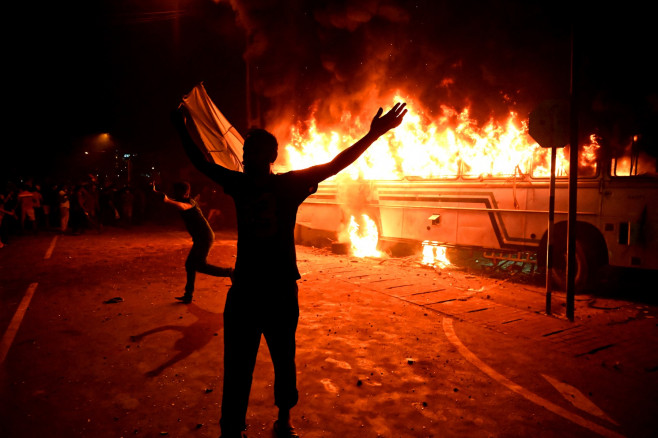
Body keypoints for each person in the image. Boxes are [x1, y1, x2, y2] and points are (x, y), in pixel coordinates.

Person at [174, 102, 407, 438]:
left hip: (279, 290)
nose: (244, 155)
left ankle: (283, 421)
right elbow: (200, 162)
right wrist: (181, 126)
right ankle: (232, 430)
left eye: (251, 150)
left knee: (284, 360)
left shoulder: (287, 185)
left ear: (269, 155)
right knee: (238, 366)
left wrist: (373, 135)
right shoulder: (246, 184)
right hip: (249, 291)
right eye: (245, 149)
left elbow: (335, 164)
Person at [153, 181, 233, 303]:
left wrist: (167, 201)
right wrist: (154, 191)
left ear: (185, 193)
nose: (174, 193)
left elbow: (181, 206)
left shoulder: (189, 203)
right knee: (191, 265)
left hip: (205, 237)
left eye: (177, 192)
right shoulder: (182, 200)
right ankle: (188, 295)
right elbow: (168, 198)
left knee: (199, 265)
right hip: (200, 237)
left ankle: (230, 272)